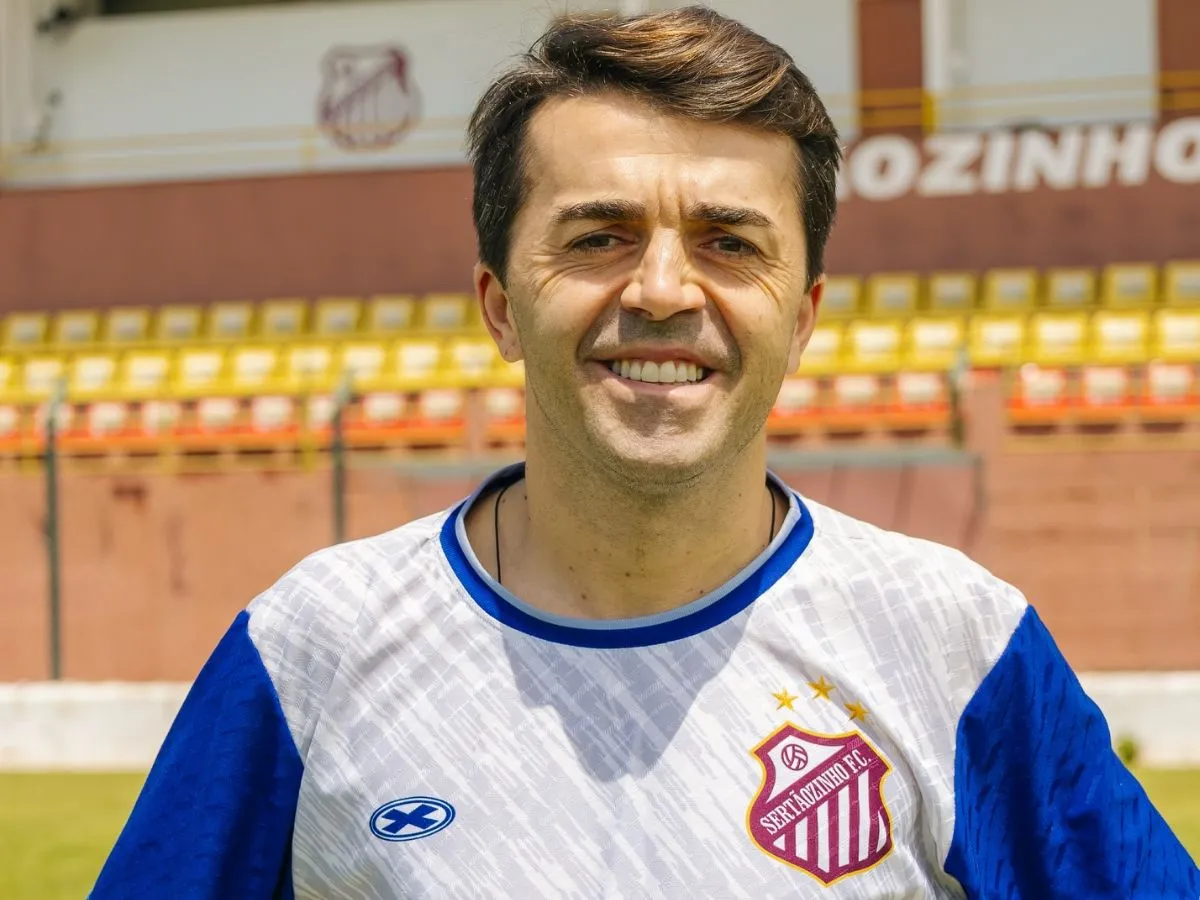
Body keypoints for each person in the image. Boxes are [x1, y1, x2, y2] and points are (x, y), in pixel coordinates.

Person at [93, 7, 1198, 898]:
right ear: (499, 305)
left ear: (802, 318)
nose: (664, 290)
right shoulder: (314, 648)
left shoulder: (953, 640)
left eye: (729, 242)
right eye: (599, 236)